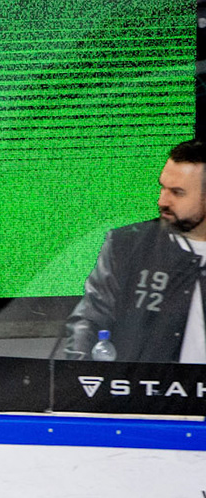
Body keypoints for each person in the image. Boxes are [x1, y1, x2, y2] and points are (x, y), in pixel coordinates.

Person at [56, 139, 206, 363]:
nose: (162, 200)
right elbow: (89, 321)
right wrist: (78, 376)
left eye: (177, 192)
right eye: (162, 187)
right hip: (142, 395)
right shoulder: (126, 245)